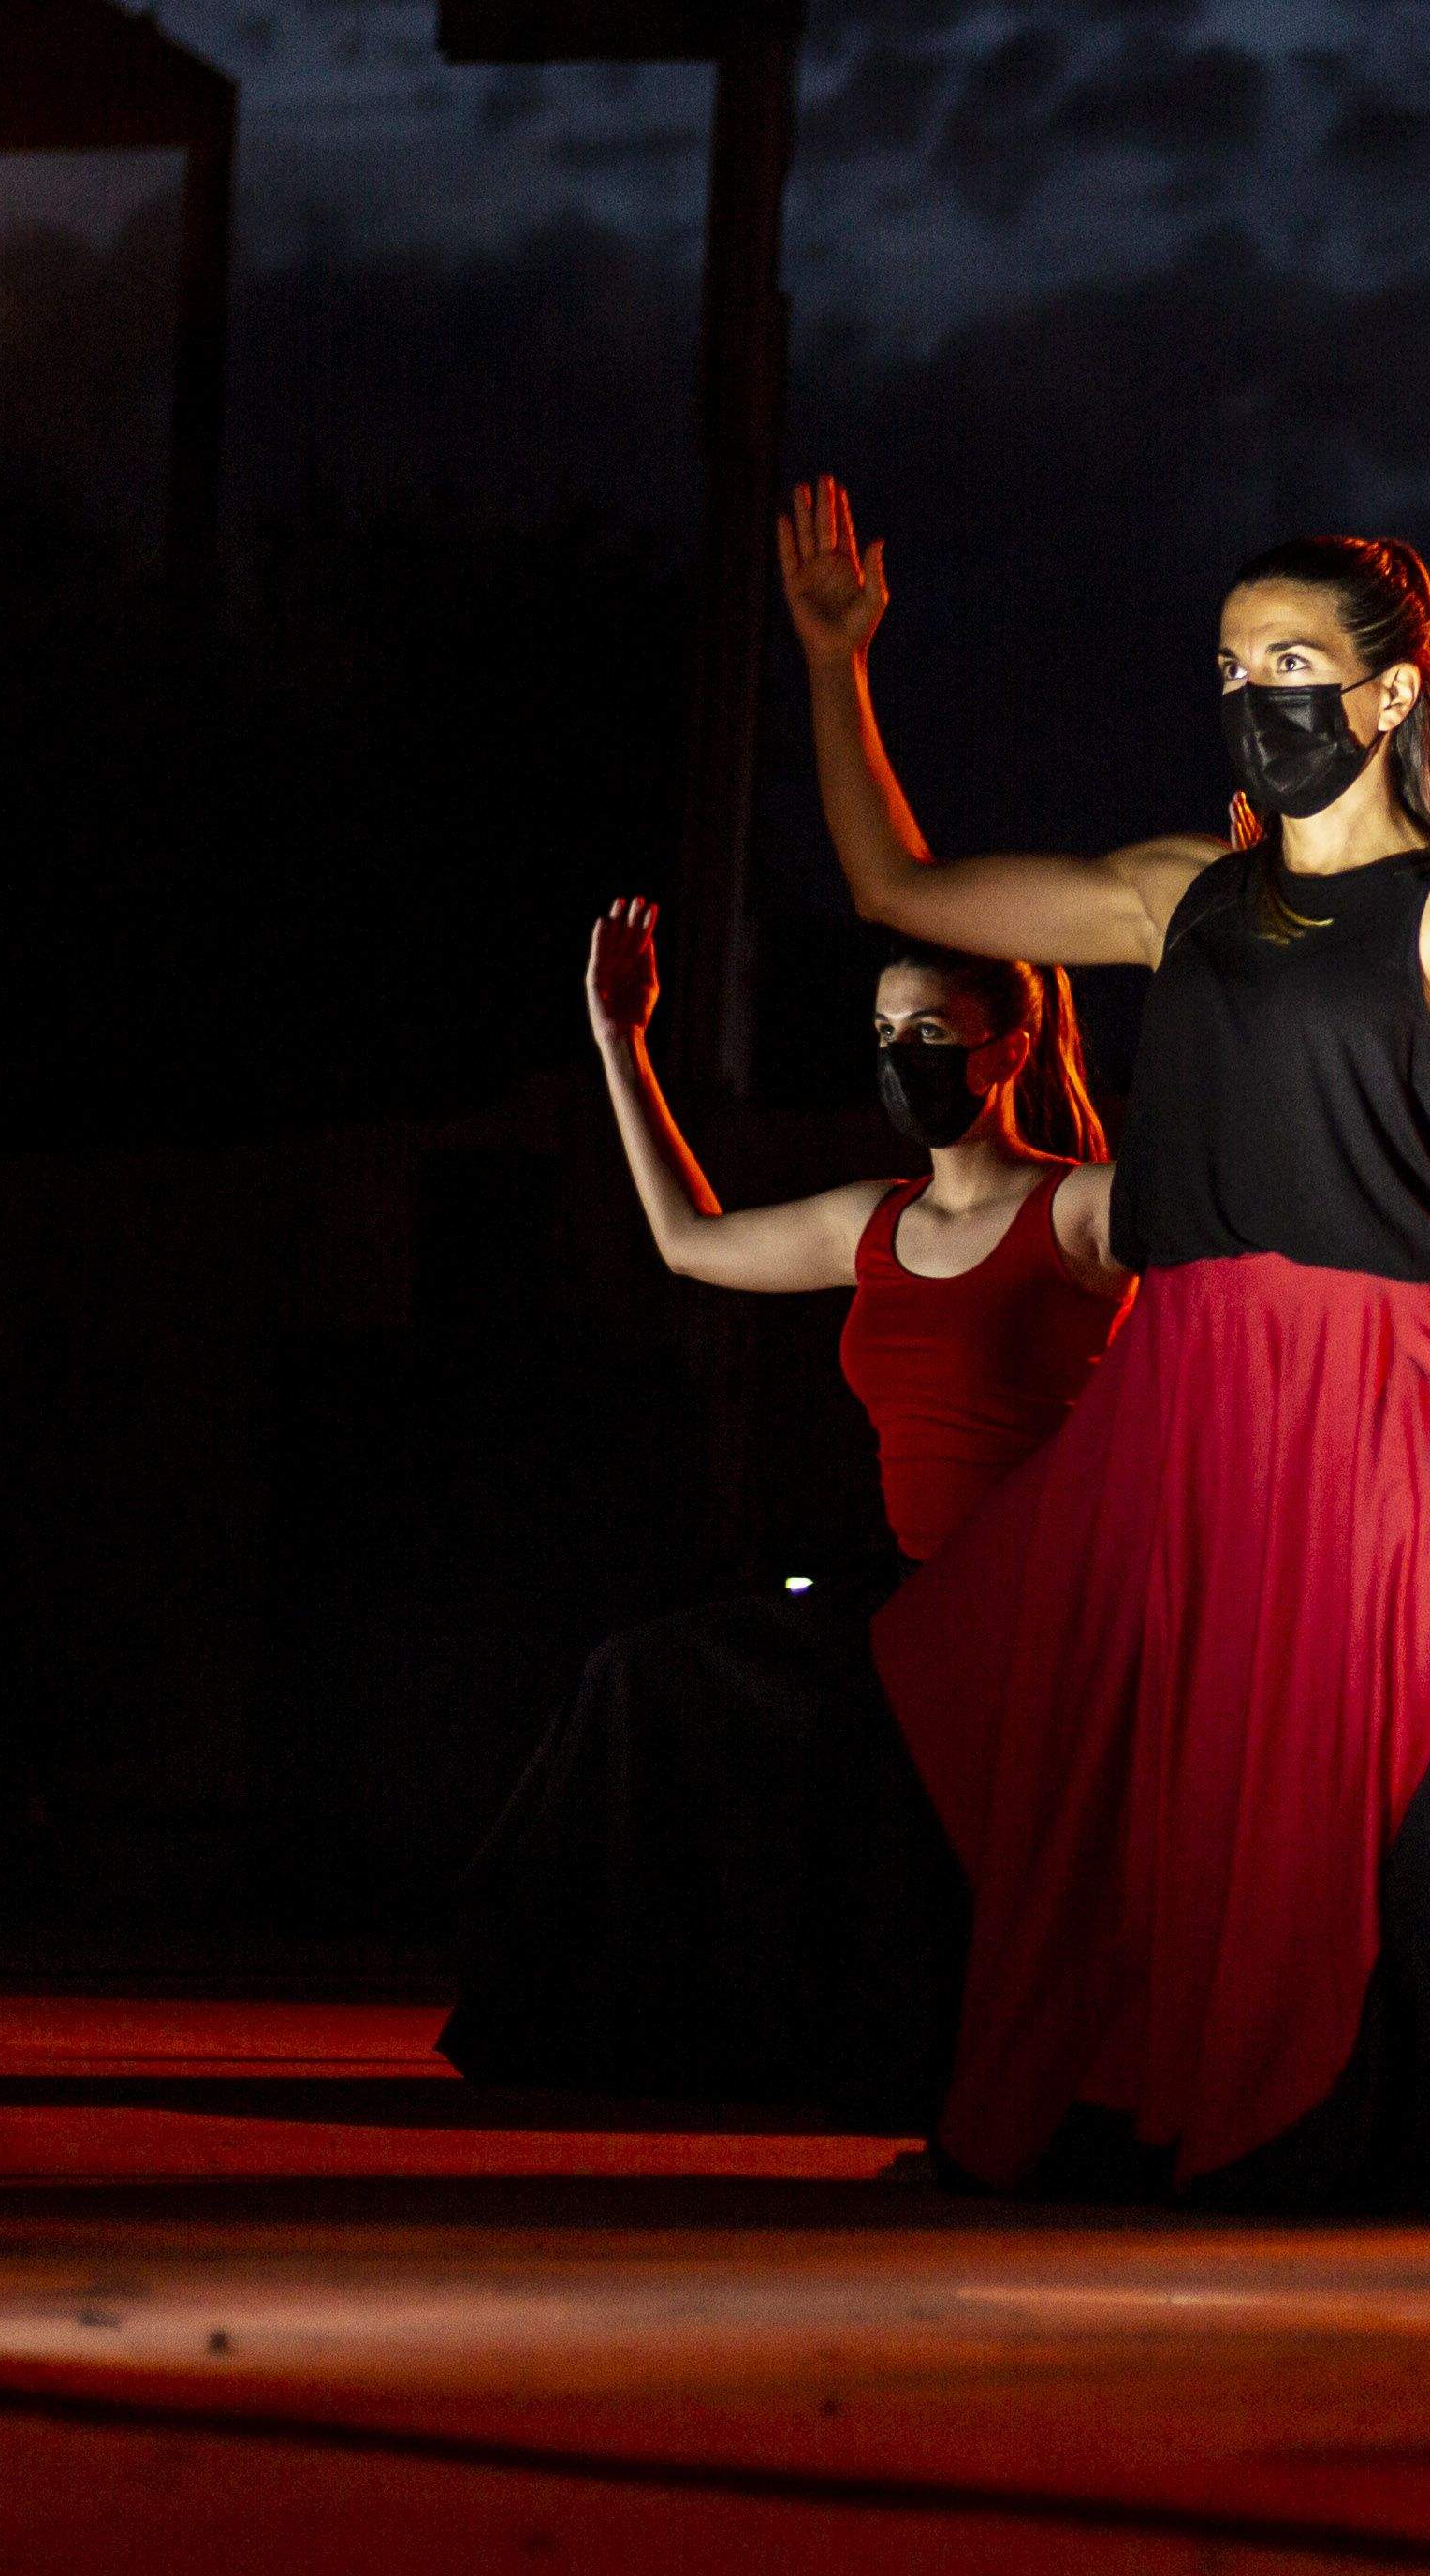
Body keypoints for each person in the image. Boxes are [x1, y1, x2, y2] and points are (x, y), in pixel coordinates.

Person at [795, 465, 1430, 2218]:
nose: (1252, 698)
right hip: (1195, 1387)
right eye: (1228, 669)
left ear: (1389, 694)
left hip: (1396, 1380)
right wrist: (838, 665)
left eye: (1287, 663)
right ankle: (1064, 2096)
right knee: (1068, 1735)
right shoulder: (1177, 896)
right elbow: (892, 881)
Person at [443, 901, 1128, 2117]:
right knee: (640, 1673)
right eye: (880, 1032)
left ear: (1007, 1049)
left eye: (928, 1031)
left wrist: (1261, 960)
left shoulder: (1078, 1211)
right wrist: (620, 1039)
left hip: (1031, 1608)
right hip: (907, 1596)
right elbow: (688, 1241)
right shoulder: (874, 1221)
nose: (897, 1056)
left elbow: (1244, 1197)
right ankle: (577, 2015)